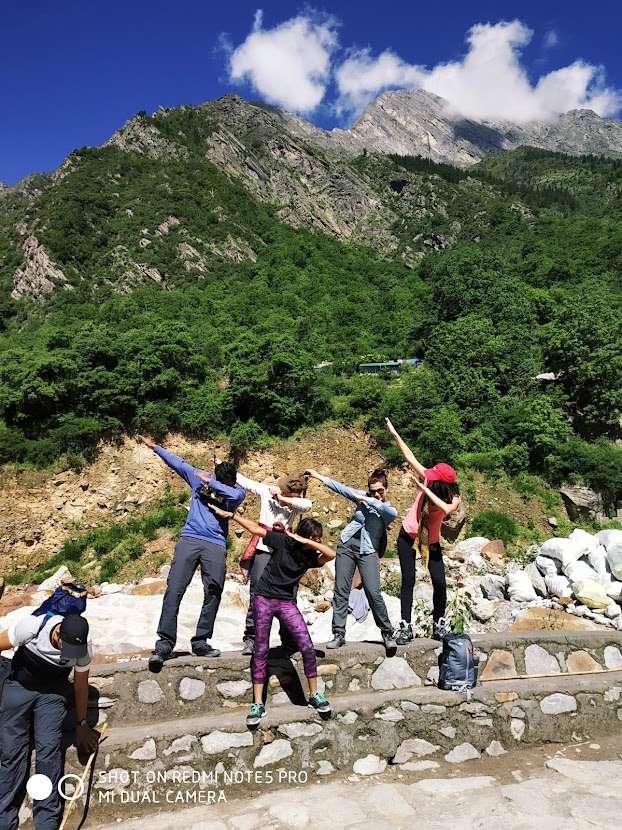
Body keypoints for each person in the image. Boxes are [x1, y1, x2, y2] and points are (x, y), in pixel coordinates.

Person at [208, 504, 335, 727]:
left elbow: (332, 554)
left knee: (305, 645)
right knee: (261, 648)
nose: (317, 542)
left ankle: (315, 695)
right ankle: (257, 704)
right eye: (314, 537)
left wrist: (308, 543)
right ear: (303, 534)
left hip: (286, 602)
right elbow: (257, 530)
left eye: (319, 539)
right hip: (264, 598)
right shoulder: (283, 541)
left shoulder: (311, 557)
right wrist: (234, 516)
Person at [137, 436, 246, 670]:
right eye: (221, 481)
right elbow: (178, 462)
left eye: (228, 483)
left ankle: (201, 641)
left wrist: (211, 481)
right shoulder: (199, 479)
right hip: (190, 538)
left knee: (214, 590)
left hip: (215, 542)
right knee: (174, 588)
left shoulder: (237, 493)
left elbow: (233, 494)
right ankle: (164, 643)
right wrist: (155, 447)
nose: (227, 485)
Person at [0, 613, 99, 830]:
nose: (69, 655)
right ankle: (4, 820)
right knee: (12, 754)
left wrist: (81, 724)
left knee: (49, 750)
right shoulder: (34, 627)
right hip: (20, 687)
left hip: (53, 694)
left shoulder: (84, 646)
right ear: (57, 634)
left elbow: (81, 685)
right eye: (66, 648)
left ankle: (46, 822)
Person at [217, 469, 312, 656]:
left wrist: (286, 501)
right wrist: (223, 466)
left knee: (288, 595)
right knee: (257, 593)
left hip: (285, 549)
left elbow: (307, 505)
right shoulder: (267, 491)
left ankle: (288, 637)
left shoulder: (295, 502)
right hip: (264, 548)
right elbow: (245, 481)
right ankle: (251, 637)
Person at [305, 467, 398, 655]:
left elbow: (389, 512)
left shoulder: (387, 510)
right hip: (347, 545)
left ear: (386, 489)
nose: (377, 494)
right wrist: (317, 476)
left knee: (373, 591)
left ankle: (387, 633)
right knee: (341, 589)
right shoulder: (361, 498)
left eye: (380, 490)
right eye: (373, 491)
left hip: (368, 550)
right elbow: (341, 488)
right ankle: (338, 633)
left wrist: (370, 500)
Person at [385, 418, 461, 643]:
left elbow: (445, 508)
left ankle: (438, 625)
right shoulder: (428, 478)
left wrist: (424, 491)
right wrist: (395, 433)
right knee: (408, 580)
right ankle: (405, 626)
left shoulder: (453, 498)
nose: (430, 476)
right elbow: (410, 457)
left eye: (434, 477)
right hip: (408, 535)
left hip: (432, 542)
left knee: (439, 583)